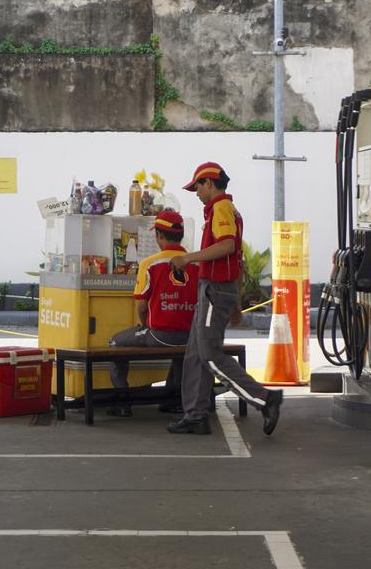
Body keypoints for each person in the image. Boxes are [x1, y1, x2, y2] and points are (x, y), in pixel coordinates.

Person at [167, 162, 282, 435]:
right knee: (196, 353)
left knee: (209, 354)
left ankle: (264, 399)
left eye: (197, 187)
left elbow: (228, 245)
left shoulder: (220, 207)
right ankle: (195, 415)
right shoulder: (226, 210)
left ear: (209, 183)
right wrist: (237, 301)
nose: (196, 193)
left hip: (214, 289)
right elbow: (237, 258)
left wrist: (188, 258)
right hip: (217, 288)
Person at [108, 210, 199, 417]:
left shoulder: (150, 264)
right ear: (181, 235)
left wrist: (145, 326)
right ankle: (173, 399)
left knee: (115, 342)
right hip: (190, 336)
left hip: (159, 336)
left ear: (159, 235)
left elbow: (141, 307)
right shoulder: (196, 262)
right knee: (180, 352)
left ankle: (122, 401)